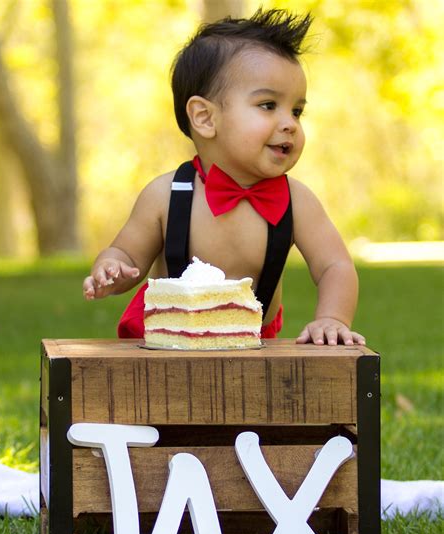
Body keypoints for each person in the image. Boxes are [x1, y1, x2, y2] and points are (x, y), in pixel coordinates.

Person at [83, 8, 365, 347]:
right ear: (204, 118)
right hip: (169, 338)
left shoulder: (297, 201)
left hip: (252, 336)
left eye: (297, 110)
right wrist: (111, 268)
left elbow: (335, 265)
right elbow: (127, 254)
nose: (290, 123)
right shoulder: (167, 195)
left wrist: (332, 318)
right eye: (267, 105)